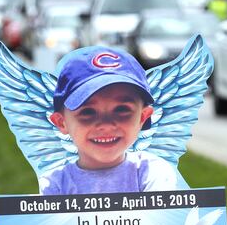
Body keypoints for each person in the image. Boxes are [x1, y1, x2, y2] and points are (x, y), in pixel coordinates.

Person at [39, 46, 187, 195]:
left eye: (122, 110)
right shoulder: (55, 184)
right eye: (88, 112)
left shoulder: (152, 172)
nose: (106, 124)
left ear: (143, 117)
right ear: (61, 122)